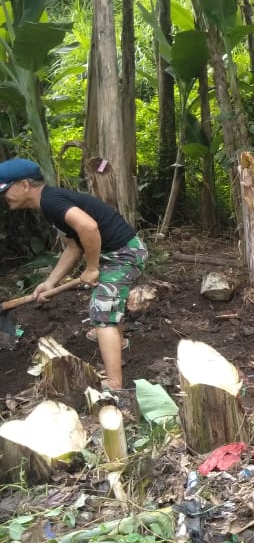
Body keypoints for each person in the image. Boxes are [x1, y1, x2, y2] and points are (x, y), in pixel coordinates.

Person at [0, 158, 147, 392]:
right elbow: (73, 246)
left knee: (102, 312)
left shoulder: (52, 201)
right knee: (108, 302)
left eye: (7, 189)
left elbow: (88, 227)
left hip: (123, 253)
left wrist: (92, 267)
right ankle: (118, 342)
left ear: (25, 185)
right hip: (118, 251)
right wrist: (50, 282)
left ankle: (115, 384)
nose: (5, 196)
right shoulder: (50, 204)